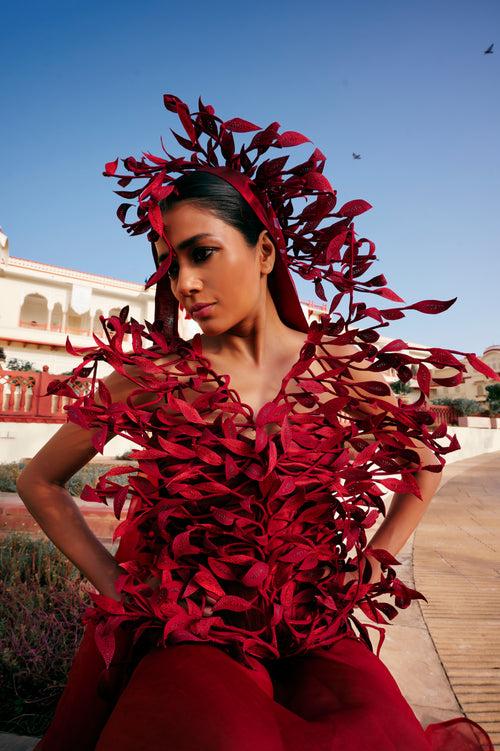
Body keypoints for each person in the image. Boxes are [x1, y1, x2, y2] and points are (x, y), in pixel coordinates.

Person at [17, 94, 496, 750]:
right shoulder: (158, 378)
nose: (184, 282)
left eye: (202, 253)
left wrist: (378, 559)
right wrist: (120, 589)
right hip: (195, 638)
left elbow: (423, 460)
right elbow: (42, 481)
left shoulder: (337, 364)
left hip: (315, 636)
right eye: (170, 261)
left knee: (378, 731)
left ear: (266, 252)